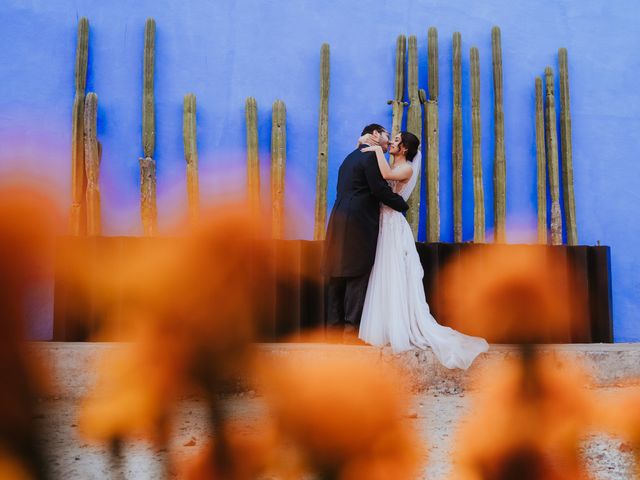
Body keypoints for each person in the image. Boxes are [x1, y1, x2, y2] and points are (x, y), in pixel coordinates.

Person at [358, 131, 489, 369]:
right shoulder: (391, 163)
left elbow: (386, 176)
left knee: (396, 273)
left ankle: (402, 328)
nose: (392, 143)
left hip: (393, 225)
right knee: (384, 273)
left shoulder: (406, 168)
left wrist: (376, 149)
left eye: (396, 140)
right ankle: (386, 325)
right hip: (382, 222)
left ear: (405, 148)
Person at [324, 124, 409, 343]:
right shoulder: (370, 157)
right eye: (386, 135)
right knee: (357, 273)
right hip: (359, 221)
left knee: (336, 273)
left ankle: (332, 332)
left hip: (338, 217)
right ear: (375, 135)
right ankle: (350, 333)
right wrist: (402, 204)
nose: (388, 140)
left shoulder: (349, 157)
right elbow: (379, 189)